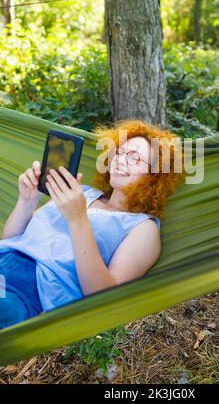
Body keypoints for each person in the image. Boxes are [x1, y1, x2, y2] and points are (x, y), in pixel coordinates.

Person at [0, 119, 183, 329]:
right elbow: (12, 238)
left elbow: (103, 296)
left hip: (33, 290)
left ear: (155, 174)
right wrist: (27, 201)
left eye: (135, 158)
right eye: (120, 153)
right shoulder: (81, 192)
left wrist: (78, 220)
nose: (121, 160)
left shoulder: (143, 228)